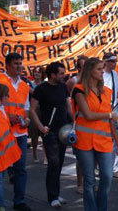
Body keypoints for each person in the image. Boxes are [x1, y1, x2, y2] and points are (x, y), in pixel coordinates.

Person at [72, 57, 118, 211]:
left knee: (107, 177)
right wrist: (109, 115)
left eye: (102, 69)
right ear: (89, 71)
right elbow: (88, 115)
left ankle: (102, 208)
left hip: (104, 140)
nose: (102, 72)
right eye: (99, 69)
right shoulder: (79, 90)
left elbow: (111, 119)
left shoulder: (107, 91)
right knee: (90, 180)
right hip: (84, 141)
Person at [30, 62, 72, 208]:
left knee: (59, 162)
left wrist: (74, 123)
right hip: (50, 131)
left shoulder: (63, 86)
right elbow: (32, 109)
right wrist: (41, 127)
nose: (64, 75)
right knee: (53, 162)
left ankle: (56, 193)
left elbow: (69, 105)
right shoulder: (41, 89)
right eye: (61, 73)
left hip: (63, 130)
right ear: (52, 75)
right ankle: (52, 196)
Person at [0, 53, 31, 211]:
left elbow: (26, 108)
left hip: (20, 133)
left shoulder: (24, 85)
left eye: (20, 63)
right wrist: (8, 116)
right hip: (3, 133)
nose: (19, 66)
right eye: (16, 63)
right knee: (1, 170)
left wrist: (26, 120)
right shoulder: (0, 80)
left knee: (20, 169)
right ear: (7, 65)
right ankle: (1, 204)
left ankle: (19, 201)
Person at [66, 55, 88, 194]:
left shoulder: (93, 80)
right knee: (80, 155)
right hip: (78, 121)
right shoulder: (73, 81)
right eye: (83, 66)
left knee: (93, 154)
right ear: (78, 68)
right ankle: (80, 183)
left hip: (91, 121)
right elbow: (69, 101)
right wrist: (73, 119)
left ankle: (89, 182)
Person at [0, 84, 21, 211]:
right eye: (7, 95)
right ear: (0, 97)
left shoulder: (2, 109)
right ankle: (1, 205)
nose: (9, 97)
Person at [29, 66, 46, 163]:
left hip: (43, 111)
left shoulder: (45, 84)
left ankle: (45, 156)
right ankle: (35, 153)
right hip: (34, 111)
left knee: (44, 134)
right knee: (34, 135)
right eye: (35, 72)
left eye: (39, 72)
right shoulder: (29, 84)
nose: (36, 74)